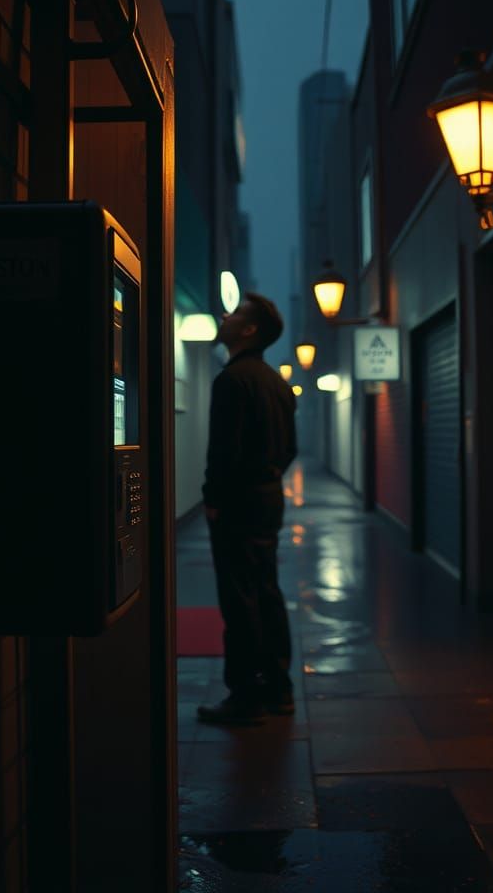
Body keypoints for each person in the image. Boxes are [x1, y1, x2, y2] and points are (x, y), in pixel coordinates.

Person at [197, 292, 298, 724]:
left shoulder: (232, 380)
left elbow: (224, 452)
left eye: (236, 312)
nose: (226, 315)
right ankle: (279, 688)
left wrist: (213, 498)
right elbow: (290, 449)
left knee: (239, 598)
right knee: (266, 591)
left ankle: (245, 697)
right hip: (268, 498)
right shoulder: (277, 384)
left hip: (237, 503)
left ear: (249, 329)